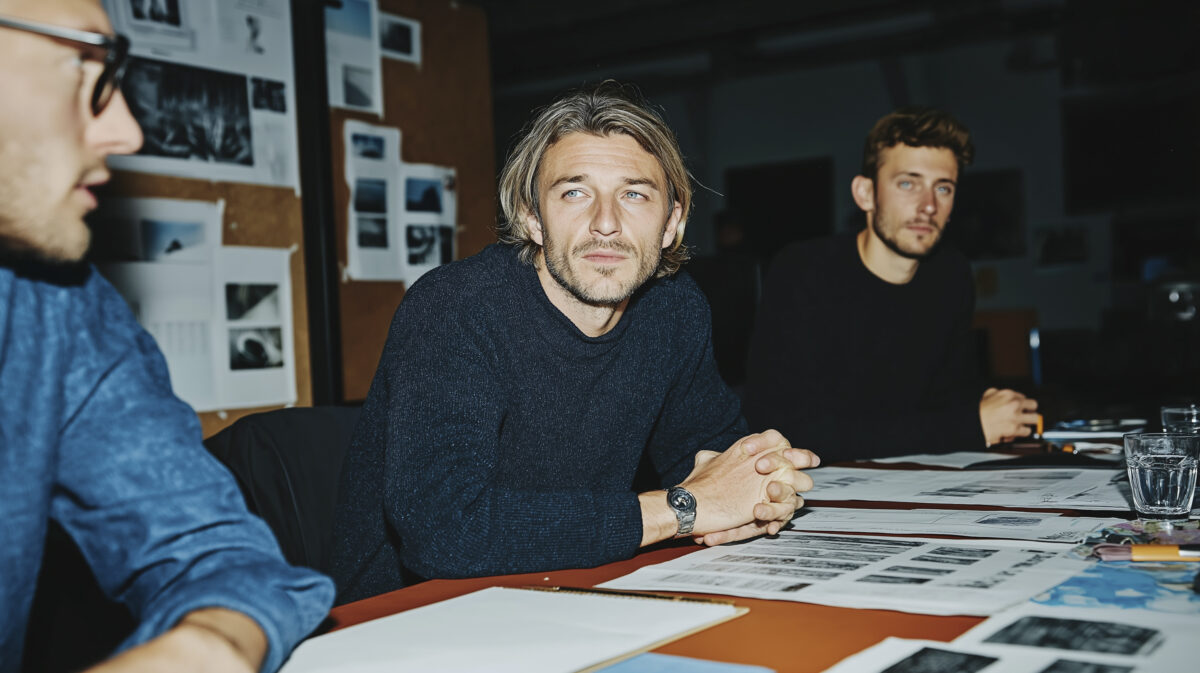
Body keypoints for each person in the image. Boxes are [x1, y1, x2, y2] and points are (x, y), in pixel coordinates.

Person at [331, 81, 820, 604]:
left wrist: (762, 486)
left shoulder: (673, 308)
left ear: (672, 222)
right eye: (574, 192)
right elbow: (444, 532)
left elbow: (711, 457)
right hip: (411, 616)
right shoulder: (455, 308)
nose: (605, 223)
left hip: (578, 588)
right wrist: (684, 509)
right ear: (531, 218)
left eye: (634, 194)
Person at [0, 1, 333, 671]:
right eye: (87, 62)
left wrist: (206, 645)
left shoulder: (56, 306)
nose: (126, 128)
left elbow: (223, 560)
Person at [743, 107, 1039, 462]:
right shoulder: (804, 271)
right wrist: (968, 425)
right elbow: (784, 431)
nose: (928, 205)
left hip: (918, 482)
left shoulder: (951, 274)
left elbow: (952, 400)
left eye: (943, 188)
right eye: (907, 183)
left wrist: (992, 412)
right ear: (865, 193)